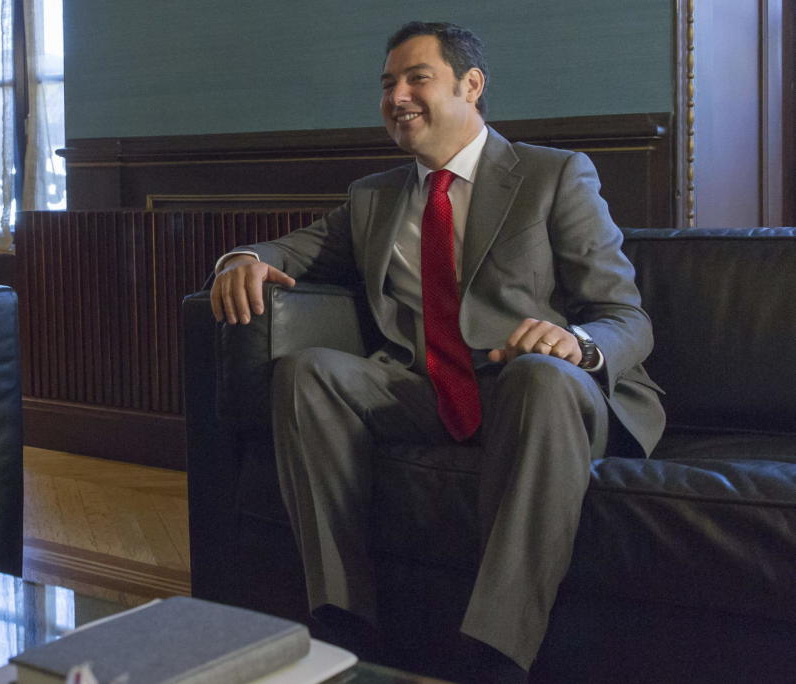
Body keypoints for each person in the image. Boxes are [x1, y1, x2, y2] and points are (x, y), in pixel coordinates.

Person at [208, 21, 665, 681]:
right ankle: (344, 622)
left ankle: (497, 653)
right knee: (307, 372)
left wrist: (577, 344)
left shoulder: (554, 175)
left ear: (470, 85)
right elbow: (288, 250)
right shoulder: (373, 198)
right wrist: (240, 260)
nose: (397, 97)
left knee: (538, 377)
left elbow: (627, 317)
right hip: (428, 390)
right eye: (387, 84)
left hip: (542, 396)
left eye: (416, 78)